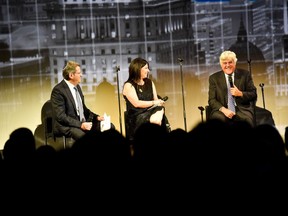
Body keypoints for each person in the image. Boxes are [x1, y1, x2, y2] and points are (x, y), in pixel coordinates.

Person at [50, 60, 114, 141]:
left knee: (110, 127)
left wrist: (96, 117)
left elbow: (84, 110)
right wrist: (80, 125)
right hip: (67, 126)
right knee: (85, 138)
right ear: (71, 75)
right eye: (79, 73)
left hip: (82, 123)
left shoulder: (77, 87)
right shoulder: (58, 91)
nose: (81, 75)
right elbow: (61, 116)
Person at [122, 57, 169, 141]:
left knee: (160, 109)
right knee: (156, 119)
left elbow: (155, 100)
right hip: (137, 115)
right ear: (137, 69)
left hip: (151, 111)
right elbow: (137, 104)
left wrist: (159, 102)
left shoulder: (149, 82)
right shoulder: (129, 85)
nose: (148, 71)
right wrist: (155, 102)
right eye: (146, 68)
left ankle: (155, 130)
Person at [208, 50, 257, 127]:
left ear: (235, 63)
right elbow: (212, 100)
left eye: (230, 62)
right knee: (218, 122)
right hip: (222, 110)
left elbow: (253, 94)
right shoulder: (214, 78)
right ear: (221, 64)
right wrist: (224, 110)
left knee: (247, 121)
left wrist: (240, 93)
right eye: (225, 63)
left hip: (242, 109)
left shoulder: (245, 75)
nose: (227, 65)